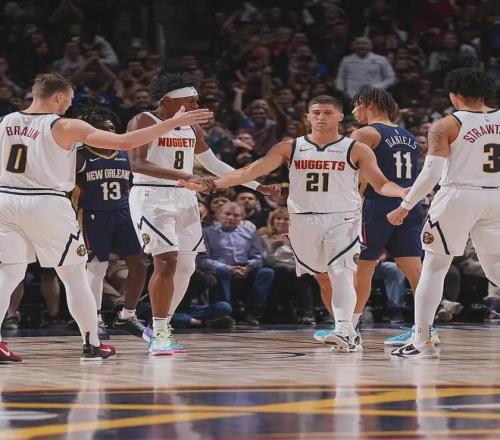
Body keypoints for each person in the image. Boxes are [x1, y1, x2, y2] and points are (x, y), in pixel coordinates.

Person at [0, 73, 212, 362]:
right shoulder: (65, 125)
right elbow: (124, 142)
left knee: (9, 272)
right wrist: (172, 123)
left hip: (5, 200)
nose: (69, 105)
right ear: (59, 96)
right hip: (46, 201)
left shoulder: (6, 121)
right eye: (69, 100)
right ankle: (92, 343)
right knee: (74, 275)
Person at [180, 95, 407, 352]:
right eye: (316, 112)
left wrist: (402, 192)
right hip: (301, 219)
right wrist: (211, 184)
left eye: (328, 112)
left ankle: (344, 329)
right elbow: (249, 171)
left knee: (341, 272)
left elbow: (380, 183)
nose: (321, 117)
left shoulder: (356, 149)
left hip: (342, 218)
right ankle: (347, 331)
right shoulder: (290, 147)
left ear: (339, 116)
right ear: (308, 117)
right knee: (323, 278)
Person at [127, 73, 277, 355]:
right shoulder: (144, 120)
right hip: (152, 195)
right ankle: (159, 332)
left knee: (186, 267)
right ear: (169, 101)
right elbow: (138, 164)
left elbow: (214, 165)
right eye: (191, 101)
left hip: (185, 196)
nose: (197, 106)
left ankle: (161, 327)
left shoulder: (192, 128)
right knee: (166, 260)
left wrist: (257, 186)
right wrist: (186, 176)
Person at [387, 68, 500, 359]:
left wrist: (404, 206)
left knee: (435, 267)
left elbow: (431, 174)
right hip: (497, 196)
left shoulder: (446, 124)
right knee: (496, 269)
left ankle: (422, 341)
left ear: (454, 94)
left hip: (459, 195)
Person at [74, 108, 148, 340]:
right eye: (102, 129)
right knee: (97, 268)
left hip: (125, 213)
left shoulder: (127, 153)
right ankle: (94, 319)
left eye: (112, 128)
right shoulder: (79, 155)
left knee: (140, 263)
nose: (109, 132)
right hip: (93, 215)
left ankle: (128, 315)